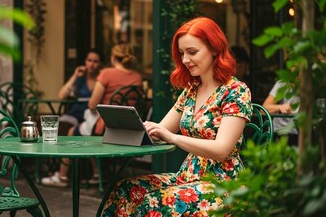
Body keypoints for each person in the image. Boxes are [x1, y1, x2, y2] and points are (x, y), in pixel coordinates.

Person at [101, 17, 252, 216]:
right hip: (188, 176)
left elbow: (222, 150)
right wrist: (138, 127)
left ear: (214, 49)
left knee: (153, 203)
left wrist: (172, 137)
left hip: (222, 184)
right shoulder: (192, 90)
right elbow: (161, 130)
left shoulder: (236, 90)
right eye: (182, 53)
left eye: (192, 52)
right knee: (124, 190)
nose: (185, 60)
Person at [41, 42, 143, 187]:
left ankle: (63, 176)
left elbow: (92, 104)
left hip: (108, 125)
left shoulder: (107, 73)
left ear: (113, 57)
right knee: (86, 131)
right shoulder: (137, 77)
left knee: (73, 132)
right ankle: (97, 173)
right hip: (129, 126)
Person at [58, 49, 103, 128]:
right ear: (85, 61)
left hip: (93, 116)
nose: (91, 64)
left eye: (95, 62)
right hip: (75, 114)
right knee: (60, 125)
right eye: (89, 60)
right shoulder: (80, 78)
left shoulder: (102, 80)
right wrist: (75, 76)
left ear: (100, 64)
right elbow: (61, 96)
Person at [262, 80, 299, 146]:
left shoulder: (313, 83)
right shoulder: (283, 83)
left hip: (304, 133)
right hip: (280, 133)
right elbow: (263, 109)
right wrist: (280, 107)